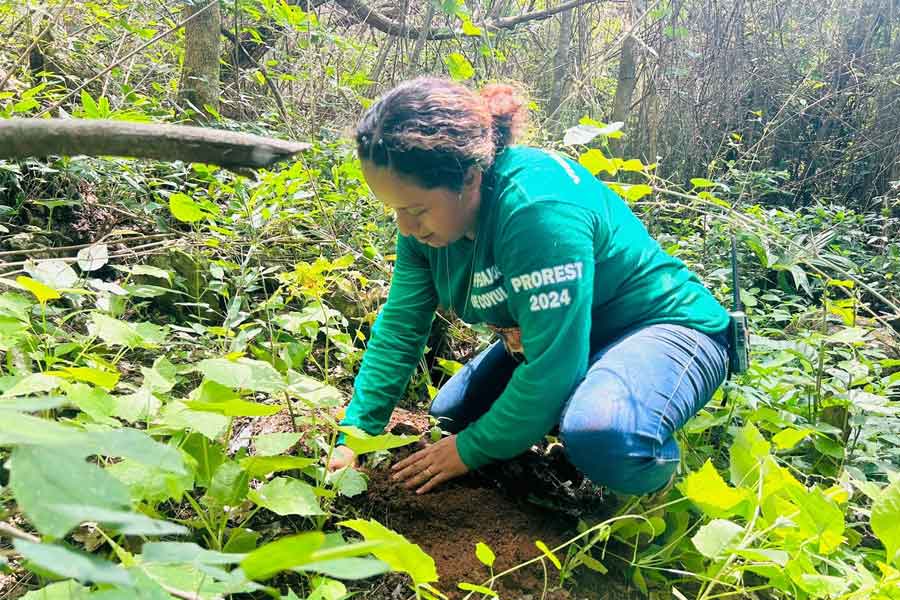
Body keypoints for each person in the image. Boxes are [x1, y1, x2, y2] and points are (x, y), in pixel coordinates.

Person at [326, 77, 730, 497]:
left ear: (469, 177)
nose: (406, 227)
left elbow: (552, 368)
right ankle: (584, 405)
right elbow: (399, 331)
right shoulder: (421, 234)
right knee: (453, 416)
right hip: (574, 337)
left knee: (605, 437)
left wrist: (469, 450)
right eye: (394, 210)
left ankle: (651, 479)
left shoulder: (536, 211)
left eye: (416, 209)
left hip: (662, 326)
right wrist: (354, 435)